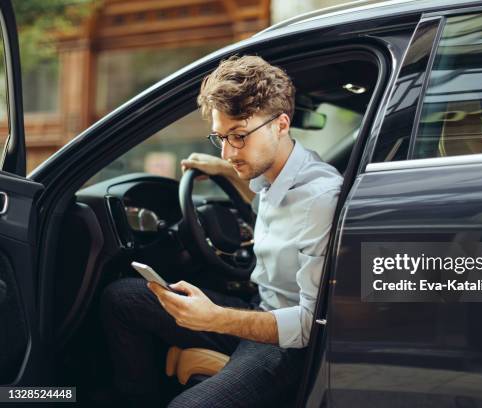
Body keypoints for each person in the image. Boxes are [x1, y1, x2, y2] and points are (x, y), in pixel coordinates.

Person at [100, 55, 343, 407]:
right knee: (122, 298)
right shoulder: (276, 174)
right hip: (257, 307)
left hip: (287, 345)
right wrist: (227, 173)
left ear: (281, 124)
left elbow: (310, 324)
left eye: (239, 136)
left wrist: (216, 318)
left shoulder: (320, 197)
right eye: (221, 137)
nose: (229, 151)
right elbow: (265, 207)